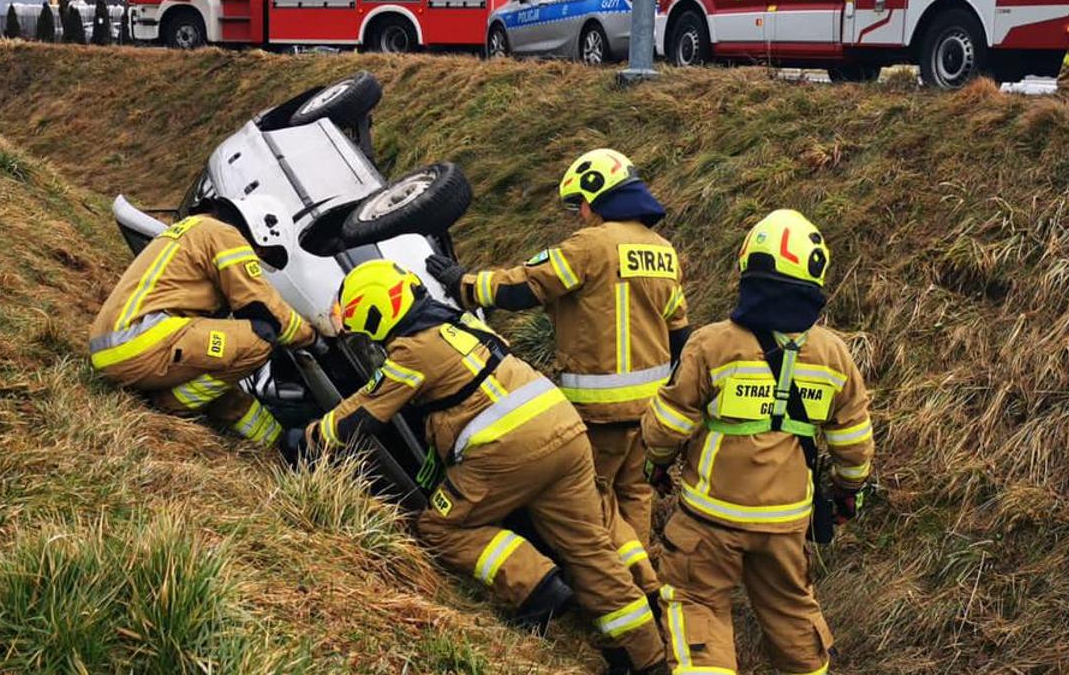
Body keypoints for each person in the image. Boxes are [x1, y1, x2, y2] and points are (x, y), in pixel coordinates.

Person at [301, 259, 669, 674]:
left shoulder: (412, 351)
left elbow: (362, 414)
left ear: (375, 312)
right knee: (589, 550)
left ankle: (535, 585)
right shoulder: (461, 325)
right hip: (565, 430)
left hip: (508, 450)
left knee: (440, 527)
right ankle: (646, 657)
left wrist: (310, 438)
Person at [641, 209, 874, 675]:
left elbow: (666, 425)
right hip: (786, 523)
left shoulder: (711, 344)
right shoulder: (833, 354)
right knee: (792, 615)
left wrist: (657, 465)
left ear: (748, 269)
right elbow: (853, 442)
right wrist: (849, 493)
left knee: (696, 603)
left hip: (710, 517)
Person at [428, 148, 687, 563]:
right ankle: (644, 577)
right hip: (649, 412)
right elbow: (679, 332)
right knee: (634, 494)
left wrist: (466, 284)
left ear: (596, 197)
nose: (581, 216)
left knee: (593, 503)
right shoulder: (663, 252)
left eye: (580, 206)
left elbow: (525, 286)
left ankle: (613, 584)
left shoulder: (590, 245)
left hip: (598, 414)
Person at [88, 195, 315, 445]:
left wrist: (284, 442)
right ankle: (169, 403)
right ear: (260, 230)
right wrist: (313, 336)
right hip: (139, 343)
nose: (258, 256)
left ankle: (280, 444)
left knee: (218, 387)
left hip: (116, 346)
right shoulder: (225, 234)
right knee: (259, 338)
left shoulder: (199, 226)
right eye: (262, 251)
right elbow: (262, 306)